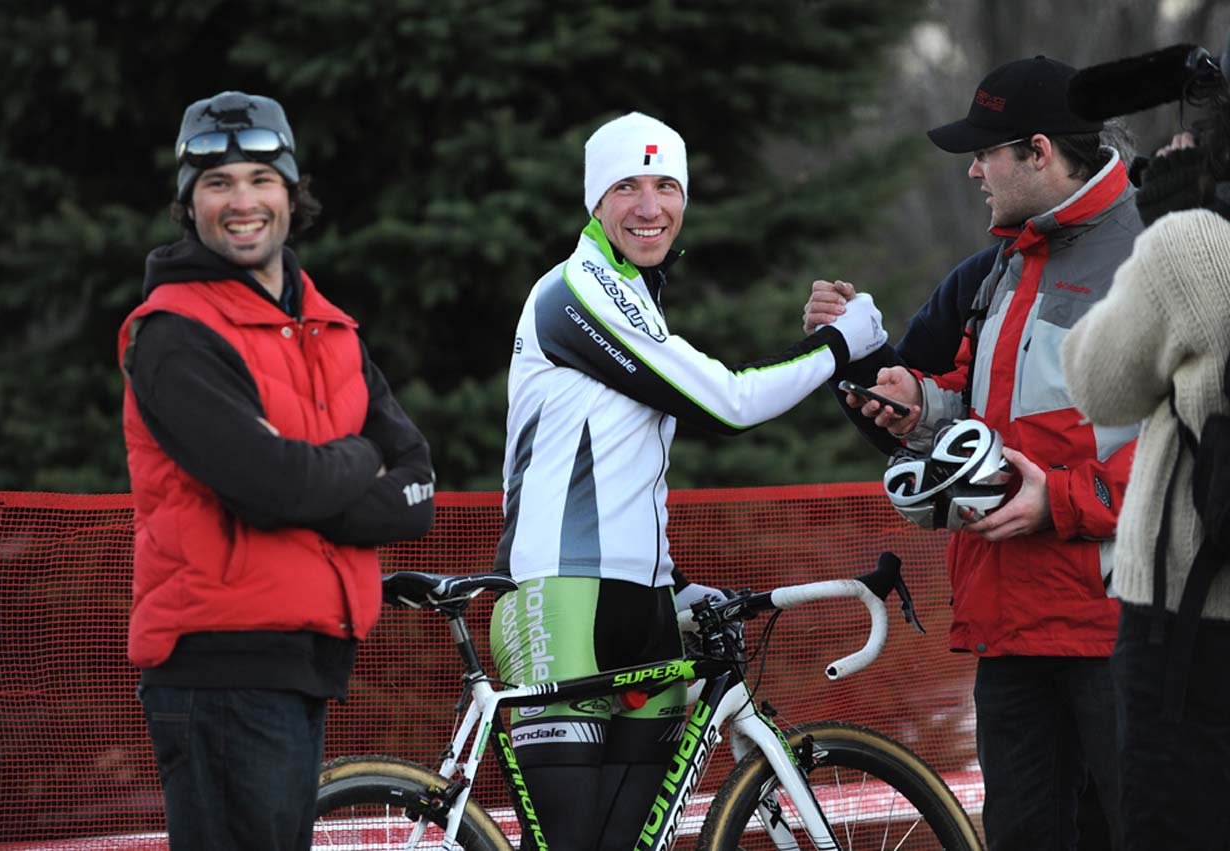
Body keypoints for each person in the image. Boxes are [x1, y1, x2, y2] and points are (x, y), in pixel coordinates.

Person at [488, 111, 888, 850]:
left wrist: (671, 581)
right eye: (627, 186)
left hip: (642, 607)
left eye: (667, 185)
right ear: (594, 201)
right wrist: (840, 345)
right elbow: (727, 402)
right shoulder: (575, 288)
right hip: (560, 597)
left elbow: (627, 465)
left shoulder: (635, 294)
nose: (650, 206)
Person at [810, 57, 1143, 851]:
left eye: (985, 151)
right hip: (1012, 632)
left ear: (1038, 151)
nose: (972, 170)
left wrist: (1058, 501)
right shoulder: (1005, 263)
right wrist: (918, 408)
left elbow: (1190, 458)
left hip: (1119, 640)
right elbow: (986, 419)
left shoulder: (1149, 256)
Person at [117, 91, 436, 850]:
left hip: (305, 660)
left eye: (260, 179)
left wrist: (309, 477)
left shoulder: (330, 326)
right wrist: (360, 457)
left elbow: (417, 488)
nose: (242, 201)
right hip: (219, 666)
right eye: (217, 182)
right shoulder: (172, 334)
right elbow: (271, 487)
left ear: (292, 194)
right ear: (187, 204)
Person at [1063, 111, 1230, 849]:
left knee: (1175, 818)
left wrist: (1168, 221)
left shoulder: (1196, 239)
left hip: (1190, 615)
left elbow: (1098, 383)